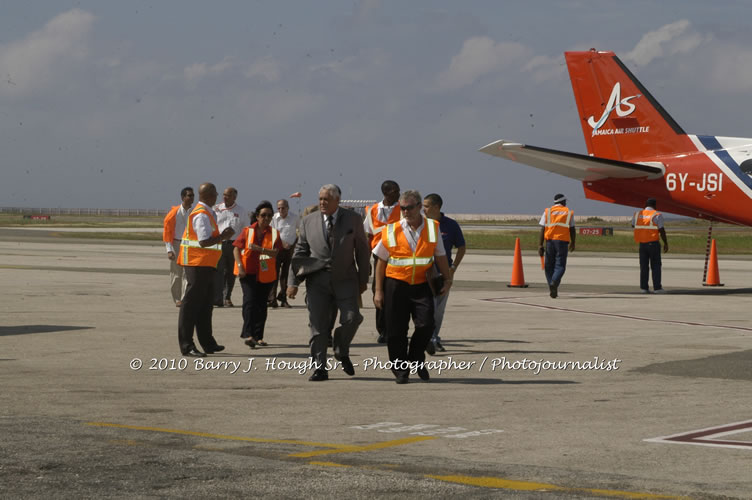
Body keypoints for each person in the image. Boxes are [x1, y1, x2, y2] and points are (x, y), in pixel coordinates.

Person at [287, 184, 370, 382]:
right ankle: (319, 368)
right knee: (318, 326)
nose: (322, 202)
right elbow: (300, 253)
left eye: (327, 199)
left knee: (352, 318)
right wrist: (293, 282)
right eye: (320, 199)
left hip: (346, 280)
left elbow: (362, 251)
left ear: (337, 201)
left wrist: (363, 279)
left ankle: (341, 349)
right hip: (317, 281)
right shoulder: (308, 221)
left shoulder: (354, 219)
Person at [373, 190, 452, 384]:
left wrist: (448, 280)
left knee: (426, 325)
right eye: (403, 208)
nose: (406, 211)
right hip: (396, 284)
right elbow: (381, 262)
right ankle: (400, 369)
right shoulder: (392, 229)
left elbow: (440, 257)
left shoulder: (433, 228)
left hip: (422, 284)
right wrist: (378, 290)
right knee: (396, 330)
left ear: (419, 207)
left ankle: (416, 357)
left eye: (409, 207)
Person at [177, 183, 235, 357]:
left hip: (207, 265)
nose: (217, 197)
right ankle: (187, 345)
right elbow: (203, 241)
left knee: (205, 305)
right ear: (209, 195)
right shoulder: (201, 215)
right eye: (216, 194)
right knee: (191, 306)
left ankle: (208, 342)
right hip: (197, 264)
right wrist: (223, 237)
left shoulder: (208, 212)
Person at [234, 201, 284, 348]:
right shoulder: (247, 231)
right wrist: (239, 267)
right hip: (248, 272)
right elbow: (236, 249)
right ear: (257, 216)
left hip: (266, 274)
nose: (266, 218)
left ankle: (258, 336)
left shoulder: (274, 233)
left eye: (269, 215)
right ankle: (248, 334)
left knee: (262, 305)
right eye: (263, 215)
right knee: (249, 302)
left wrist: (260, 250)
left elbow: (275, 252)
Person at [422, 193, 465, 355]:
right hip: (424, 275)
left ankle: (433, 337)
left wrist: (453, 268)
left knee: (438, 310)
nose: (423, 209)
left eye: (426, 206)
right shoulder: (421, 224)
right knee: (427, 308)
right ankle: (430, 338)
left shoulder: (451, 225)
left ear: (436, 207)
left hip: (443, 275)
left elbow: (462, 247)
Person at [363, 180, 401, 344]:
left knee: (396, 292)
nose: (399, 194)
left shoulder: (402, 209)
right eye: (396, 191)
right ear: (389, 192)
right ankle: (383, 329)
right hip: (378, 256)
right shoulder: (372, 210)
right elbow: (366, 234)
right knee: (379, 292)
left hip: (398, 255)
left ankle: (395, 328)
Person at [213, 187, 249, 307]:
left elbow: (246, 229)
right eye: (224, 195)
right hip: (219, 244)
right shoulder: (216, 208)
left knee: (231, 272)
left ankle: (227, 297)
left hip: (234, 245)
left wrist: (243, 246)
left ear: (234, 197)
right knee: (218, 271)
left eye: (228, 195)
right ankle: (217, 297)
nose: (225, 197)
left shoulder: (241, 211)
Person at [538, 193, 575, 299]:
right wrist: (573, 242)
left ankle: (552, 285)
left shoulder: (547, 211)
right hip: (562, 242)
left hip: (549, 242)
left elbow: (542, 228)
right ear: (562, 202)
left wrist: (540, 245)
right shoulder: (568, 212)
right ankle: (554, 283)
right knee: (560, 266)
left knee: (548, 266)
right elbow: (572, 229)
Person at [163, 186, 194, 307]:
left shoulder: (195, 212)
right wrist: (169, 250)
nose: (192, 198)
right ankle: (177, 299)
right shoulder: (173, 213)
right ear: (183, 197)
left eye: (193, 196)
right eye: (189, 196)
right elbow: (167, 232)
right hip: (176, 243)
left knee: (188, 273)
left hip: (189, 245)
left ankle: (185, 297)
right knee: (176, 273)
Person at [632, 198, 669, 293]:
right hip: (653, 244)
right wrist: (665, 243)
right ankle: (657, 288)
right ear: (655, 205)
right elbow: (661, 230)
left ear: (645, 205)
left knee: (644, 266)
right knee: (656, 266)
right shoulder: (657, 215)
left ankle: (644, 288)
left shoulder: (637, 214)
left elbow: (633, 225)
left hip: (642, 244)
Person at [268, 199, 299, 309]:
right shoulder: (274, 218)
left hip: (289, 250)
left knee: (286, 275)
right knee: (274, 275)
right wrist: (281, 243)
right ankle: (272, 299)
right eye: (279, 208)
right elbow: (271, 233)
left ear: (288, 207)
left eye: (283, 208)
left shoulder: (294, 218)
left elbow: (299, 231)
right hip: (276, 249)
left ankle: (283, 298)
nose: (281, 210)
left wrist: (294, 244)